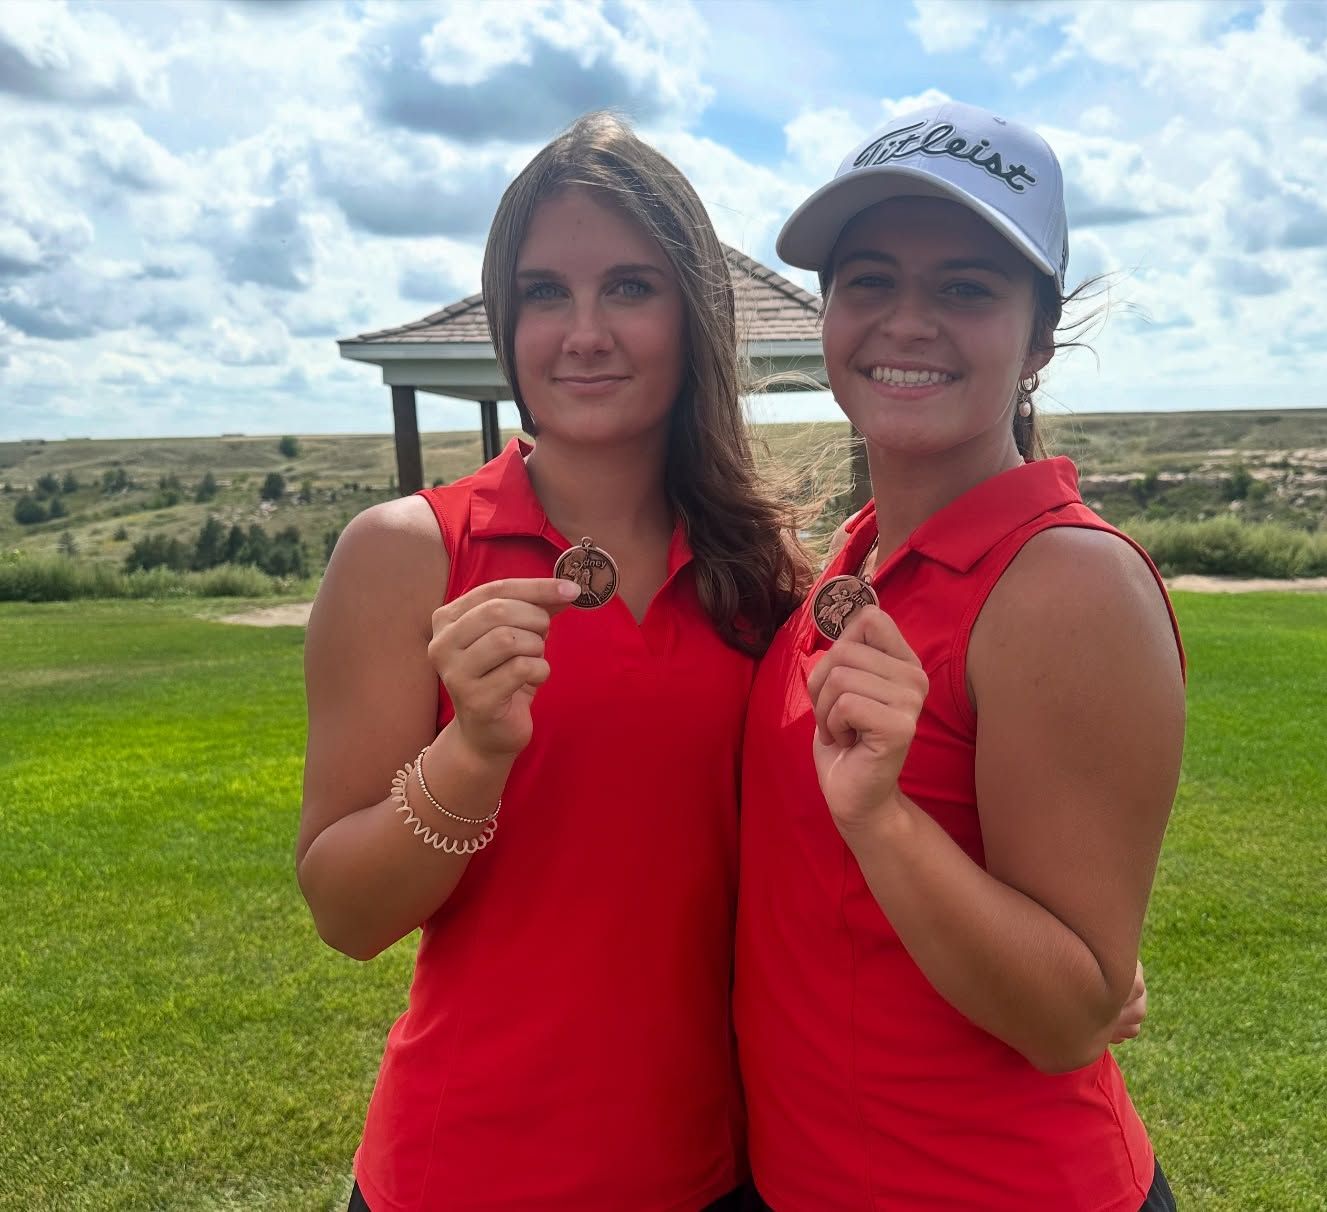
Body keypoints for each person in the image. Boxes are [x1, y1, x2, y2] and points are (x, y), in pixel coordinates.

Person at [295, 112, 810, 1212]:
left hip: (717, 1173)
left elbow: (831, 831)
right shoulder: (408, 554)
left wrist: (1073, 945)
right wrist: (471, 752)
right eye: (544, 293)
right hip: (470, 1170)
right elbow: (345, 913)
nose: (584, 331)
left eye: (629, 287)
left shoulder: (763, 575)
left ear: (694, 317)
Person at [734, 100, 1186, 1210]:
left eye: (967, 289)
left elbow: (1070, 1013)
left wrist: (885, 820)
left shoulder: (1065, 582)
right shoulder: (856, 562)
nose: (907, 321)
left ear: (1037, 340)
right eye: (870, 280)